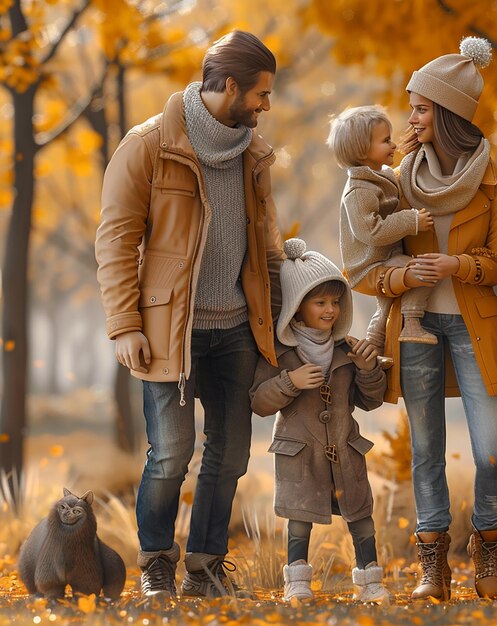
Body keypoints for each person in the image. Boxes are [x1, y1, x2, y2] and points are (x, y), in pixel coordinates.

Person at [94, 30, 284, 601]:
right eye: (261, 94)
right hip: (166, 332)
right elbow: (116, 240)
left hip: (234, 332)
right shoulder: (148, 145)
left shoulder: (252, 154)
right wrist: (124, 324)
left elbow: (266, 242)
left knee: (229, 454)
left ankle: (204, 566)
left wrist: (278, 315)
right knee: (171, 453)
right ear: (230, 85)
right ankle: (156, 562)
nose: (266, 106)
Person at [353, 37, 497, 601]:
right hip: (416, 330)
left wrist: (458, 265)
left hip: (479, 325)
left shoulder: (496, 178)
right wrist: (409, 278)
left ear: (448, 114)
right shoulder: (399, 178)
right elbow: (367, 268)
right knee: (425, 447)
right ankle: (433, 566)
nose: (411, 117)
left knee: (491, 446)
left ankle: (487, 541)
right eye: (412, 106)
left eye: (421, 107)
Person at [249, 238, 390, 604]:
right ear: (297, 308)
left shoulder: (347, 349)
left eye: (335, 302)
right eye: (320, 302)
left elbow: (370, 400)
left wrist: (368, 369)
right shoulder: (280, 354)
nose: (330, 310)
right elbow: (259, 402)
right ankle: (296, 582)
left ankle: (370, 582)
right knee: (299, 519)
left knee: (361, 517)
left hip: (345, 448)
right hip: (300, 451)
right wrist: (288, 382)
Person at [327, 105, 437, 350]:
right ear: (363, 150)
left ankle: (374, 345)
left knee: (385, 305)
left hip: (384, 257)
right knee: (425, 272)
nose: (394, 144)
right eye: (385, 141)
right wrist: (412, 221)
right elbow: (371, 231)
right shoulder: (359, 190)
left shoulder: (380, 176)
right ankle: (412, 322)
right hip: (369, 264)